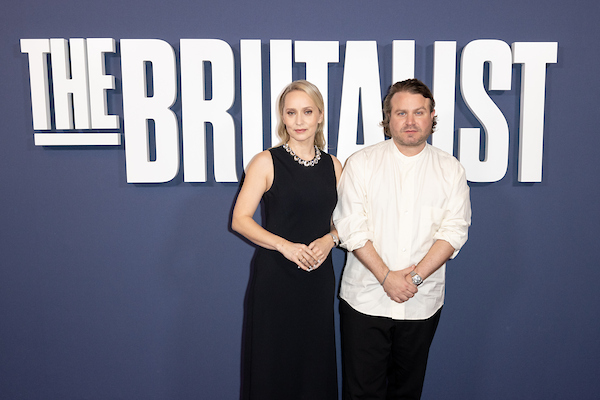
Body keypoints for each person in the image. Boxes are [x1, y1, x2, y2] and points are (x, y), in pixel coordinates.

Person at [333, 78, 472, 400]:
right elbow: (351, 226)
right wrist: (386, 277)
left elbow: (454, 230)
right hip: (364, 300)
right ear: (388, 118)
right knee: (361, 394)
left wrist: (414, 278)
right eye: (401, 113)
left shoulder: (450, 170)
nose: (410, 121)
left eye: (418, 112)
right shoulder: (361, 163)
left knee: (407, 392)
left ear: (432, 116)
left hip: (421, 302)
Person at [232, 80, 342, 400]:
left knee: (314, 363)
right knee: (273, 364)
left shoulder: (334, 166)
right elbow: (240, 219)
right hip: (276, 280)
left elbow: (347, 222)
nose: (299, 121)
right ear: (282, 117)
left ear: (320, 115)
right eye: (291, 112)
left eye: (307, 112)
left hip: (317, 279)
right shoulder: (266, 161)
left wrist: (331, 239)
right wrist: (284, 245)